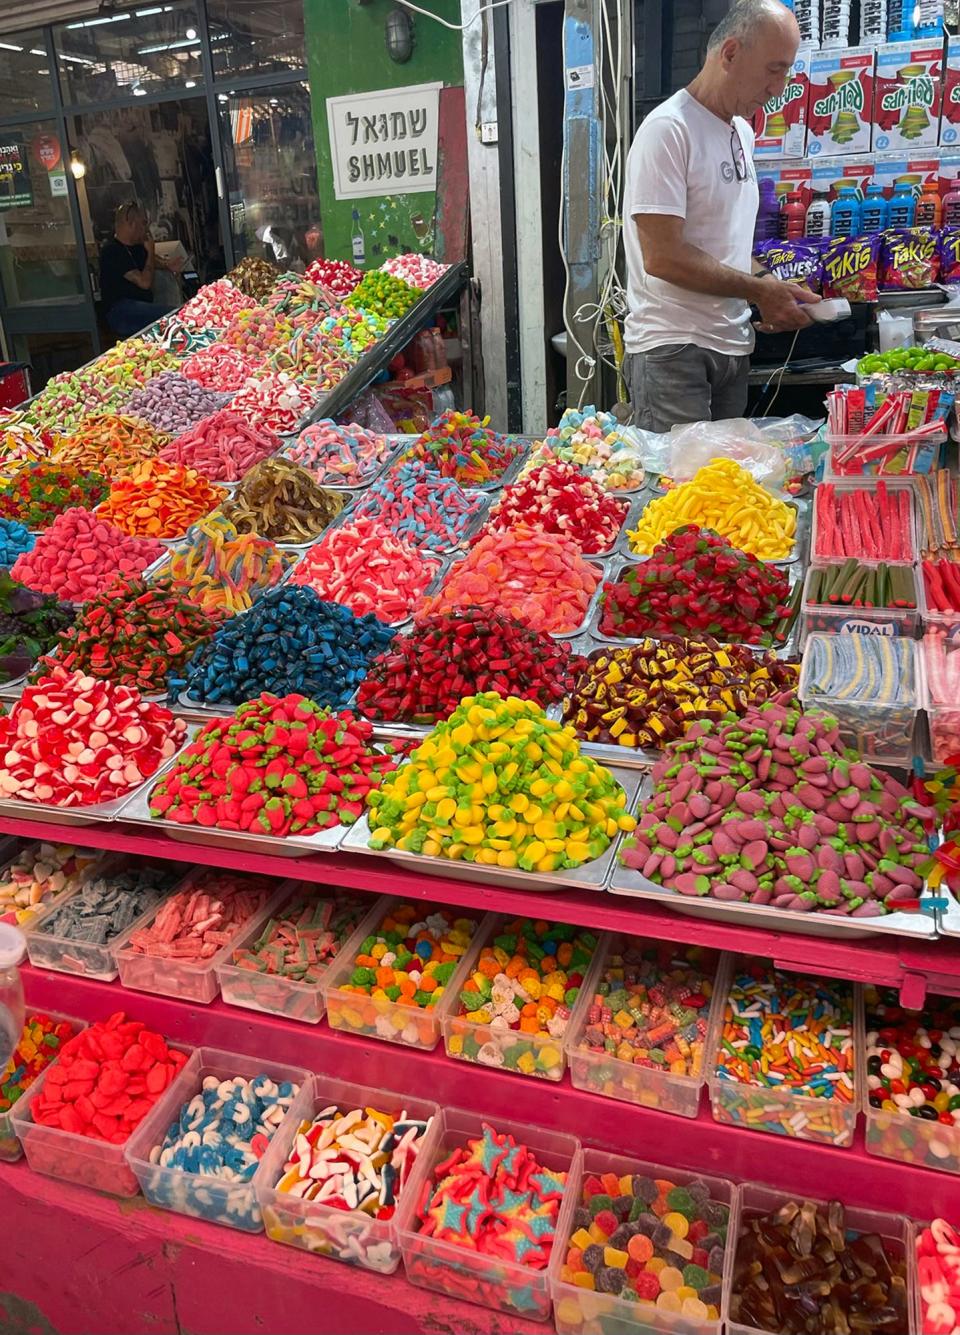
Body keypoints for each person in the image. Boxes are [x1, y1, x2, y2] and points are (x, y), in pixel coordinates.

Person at [623, 0, 821, 432]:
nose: (779, 87)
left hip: (732, 343)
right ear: (729, 53)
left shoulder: (742, 131)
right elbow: (663, 256)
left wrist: (771, 286)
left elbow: (724, 246)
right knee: (678, 490)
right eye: (774, 69)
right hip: (674, 350)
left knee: (724, 489)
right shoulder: (668, 130)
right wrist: (759, 293)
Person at [99, 201, 175, 338]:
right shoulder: (112, 251)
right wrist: (151, 251)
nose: (145, 229)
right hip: (122, 310)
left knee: (170, 314)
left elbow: (153, 263)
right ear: (132, 224)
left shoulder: (136, 248)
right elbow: (144, 283)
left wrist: (167, 264)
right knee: (172, 315)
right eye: (143, 223)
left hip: (141, 305)